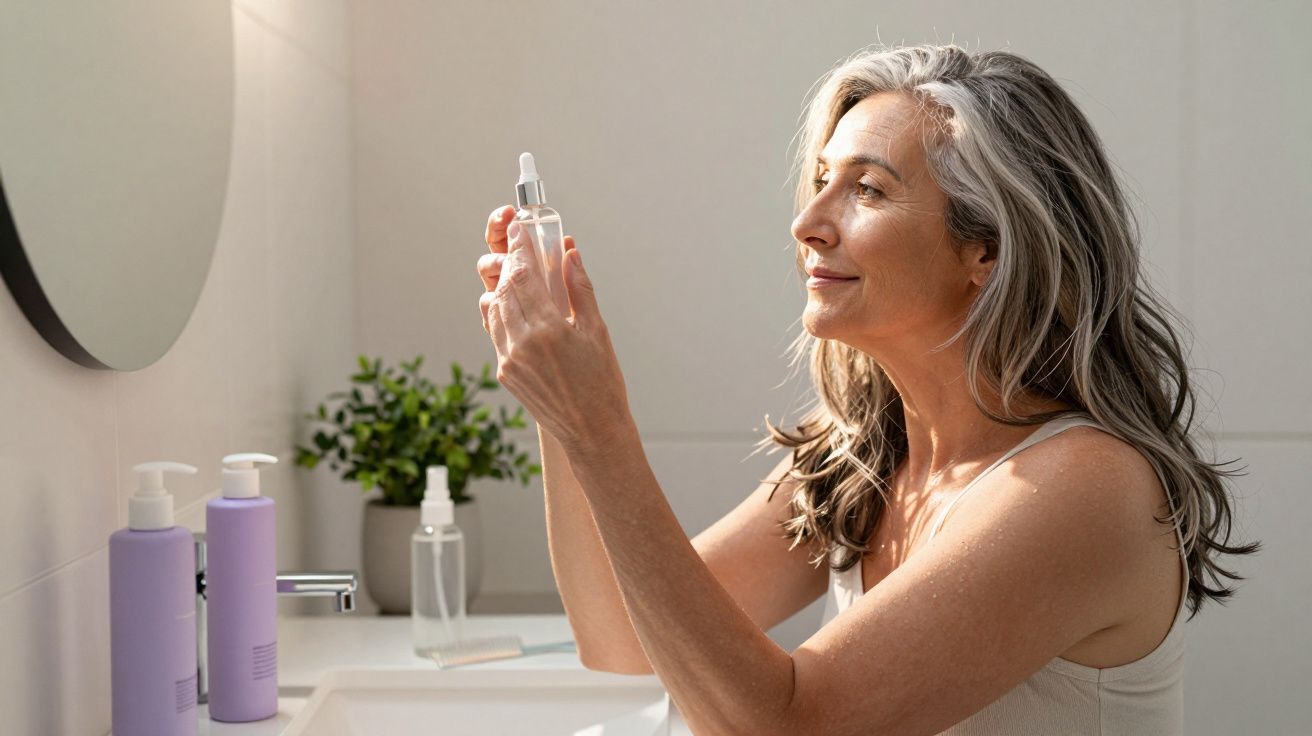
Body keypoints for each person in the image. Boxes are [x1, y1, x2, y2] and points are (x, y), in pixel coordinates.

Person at [474, 44, 1256, 735]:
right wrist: (561, 395)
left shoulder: (1086, 487)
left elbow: (784, 726)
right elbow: (618, 637)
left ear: (986, 248)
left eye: (868, 190)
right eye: (821, 180)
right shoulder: (864, 461)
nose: (809, 222)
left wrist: (598, 425)